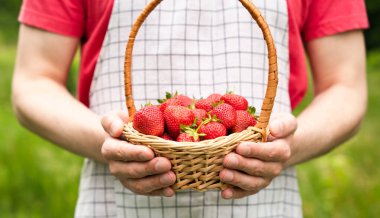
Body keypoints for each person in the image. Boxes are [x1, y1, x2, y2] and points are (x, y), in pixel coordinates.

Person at [12, 0, 368, 217]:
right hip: (116, 203)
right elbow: (33, 82)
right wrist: (111, 143)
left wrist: (285, 147)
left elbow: (346, 86)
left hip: (265, 204)